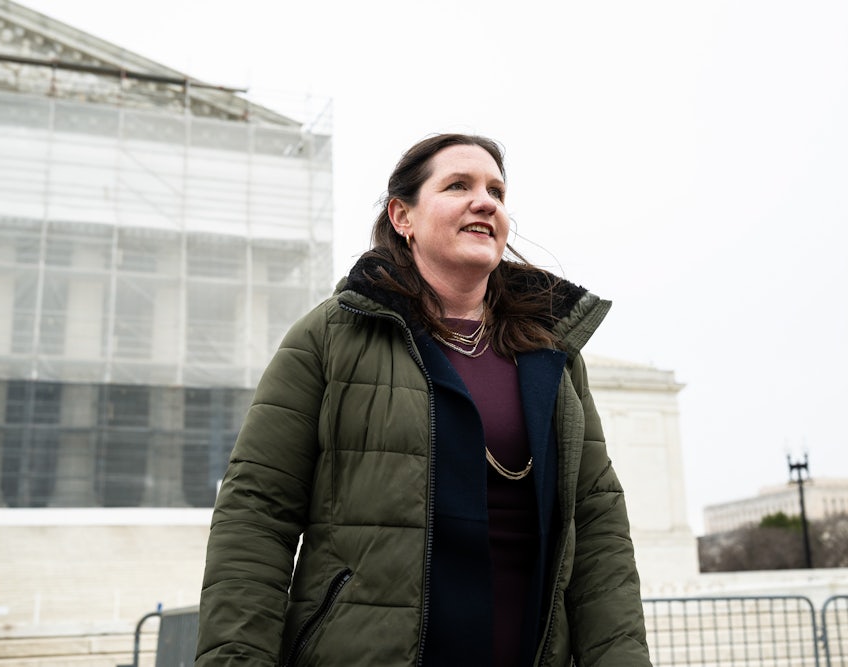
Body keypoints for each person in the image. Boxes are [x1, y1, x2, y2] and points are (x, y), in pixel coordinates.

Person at [195, 133, 651, 666]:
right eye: (458, 186)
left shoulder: (553, 353)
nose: (485, 202)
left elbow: (598, 527)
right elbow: (256, 513)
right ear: (402, 216)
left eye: (496, 192)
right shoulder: (329, 337)